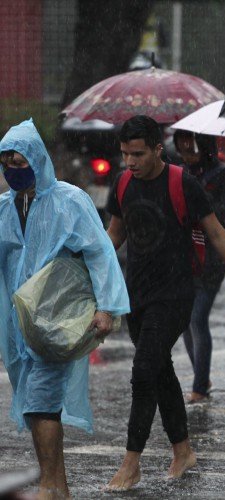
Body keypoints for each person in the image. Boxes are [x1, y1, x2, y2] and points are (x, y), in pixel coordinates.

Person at [104, 116, 225, 491]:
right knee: (160, 369)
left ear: (156, 149)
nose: (130, 162)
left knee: (143, 370)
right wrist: (90, 276)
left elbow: (216, 231)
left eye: (137, 154)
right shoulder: (121, 183)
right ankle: (183, 450)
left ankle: (131, 463)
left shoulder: (182, 182)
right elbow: (114, 235)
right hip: (137, 295)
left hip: (177, 292)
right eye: (124, 154)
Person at [0, 119, 129, 499]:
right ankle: (57, 484)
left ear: (37, 160)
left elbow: (100, 254)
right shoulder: (5, 209)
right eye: (6, 163)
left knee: (41, 401)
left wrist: (106, 307)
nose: (12, 170)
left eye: (19, 162)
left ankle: (50, 485)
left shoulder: (69, 201)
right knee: (34, 403)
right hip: (19, 325)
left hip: (58, 319)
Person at [173, 130, 225, 402]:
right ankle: (202, 375)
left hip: (212, 258)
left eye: (192, 151)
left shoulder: (224, 176)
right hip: (185, 256)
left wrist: (198, 201)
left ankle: (200, 387)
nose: (188, 157)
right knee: (186, 322)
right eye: (183, 151)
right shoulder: (180, 174)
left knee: (197, 318)